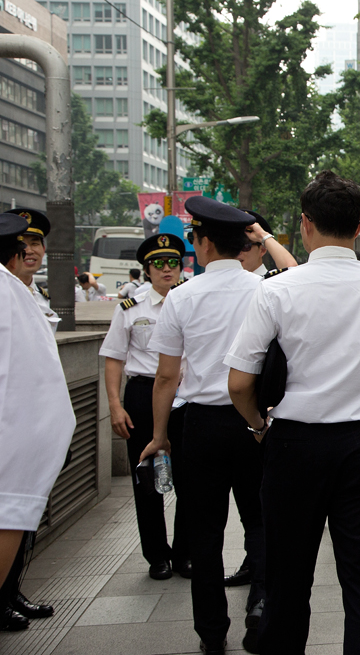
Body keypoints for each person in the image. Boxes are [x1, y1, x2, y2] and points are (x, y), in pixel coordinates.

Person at [225, 171, 360, 655]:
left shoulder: (277, 290)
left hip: (295, 445)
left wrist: (258, 426)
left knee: (287, 581)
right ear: (359, 226)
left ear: (305, 223)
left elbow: (239, 383)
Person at [139, 197, 265, 655]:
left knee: (204, 533)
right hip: (256, 424)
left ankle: (212, 633)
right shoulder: (265, 290)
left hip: (203, 426)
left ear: (205, 243)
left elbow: (166, 377)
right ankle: (261, 608)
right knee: (261, 522)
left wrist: (159, 436)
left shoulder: (182, 296)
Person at [99, 234, 191, 581]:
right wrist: (115, 404)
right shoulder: (130, 308)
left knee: (190, 479)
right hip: (142, 395)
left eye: (173, 263)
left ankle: (185, 553)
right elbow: (113, 357)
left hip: (185, 396)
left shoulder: (191, 301)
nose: (167, 269)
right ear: (147, 270)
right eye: (159, 264)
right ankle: (157, 556)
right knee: (146, 479)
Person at [0, 214, 75, 632]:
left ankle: (12, 591)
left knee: (23, 517)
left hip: (32, 425)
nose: (31, 251)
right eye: (23, 244)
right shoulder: (7, 292)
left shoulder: (32, 294)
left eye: (37, 244)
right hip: (13, 426)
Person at [225, 209, 297, 589]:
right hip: (235, 411)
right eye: (237, 243)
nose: (241, 251)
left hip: (253, 410)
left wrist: (264, 236)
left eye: (249, 243)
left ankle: (260, 585)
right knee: (249, 509)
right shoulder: (208, 286)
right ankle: (256, 576)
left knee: (257, 506)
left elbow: (292, 270)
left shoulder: (271, 286)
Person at [3, 208, 60, 332]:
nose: (29, 251)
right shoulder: (4, 294)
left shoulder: (41, 296)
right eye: (22, 245)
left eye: (34, 244)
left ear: (43, 249)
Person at [236, 209, 298, 276]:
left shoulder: (273, 279)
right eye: (232, 246)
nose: (236, 251)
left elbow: (292, 273)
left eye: (245, 246)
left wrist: (262, 235)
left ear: (262, 250)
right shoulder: (228, 279)